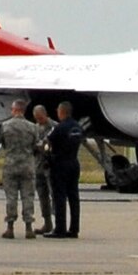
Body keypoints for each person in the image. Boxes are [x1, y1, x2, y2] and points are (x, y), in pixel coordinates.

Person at [0, 97, 41, 239]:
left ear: (15, 110)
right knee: (28, 196)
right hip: (27, 164)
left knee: (11, 197)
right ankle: (29, 227)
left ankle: (10, 227)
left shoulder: (5, 126)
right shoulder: (32, 127)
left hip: (10, 165)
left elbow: (3, 144)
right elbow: (36, 146)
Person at [44, 101, 83, 239]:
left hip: (60, 164)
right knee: (74, 197)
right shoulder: (78, 127)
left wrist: (47, 156)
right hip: (74, 162)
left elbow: (48, 142)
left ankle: (60, 228)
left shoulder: (59, 127)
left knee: (59, 197)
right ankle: (74, 229)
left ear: (62, 112)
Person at [31, 105, 55, 235]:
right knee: (42, 197)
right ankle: (47, 222)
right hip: (38, 166)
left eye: (40, 118)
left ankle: (58, 223)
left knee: (54, 194)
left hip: (51, 167)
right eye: (37, 118)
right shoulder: (34, 129)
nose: (39, 120)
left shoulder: (54, 127)